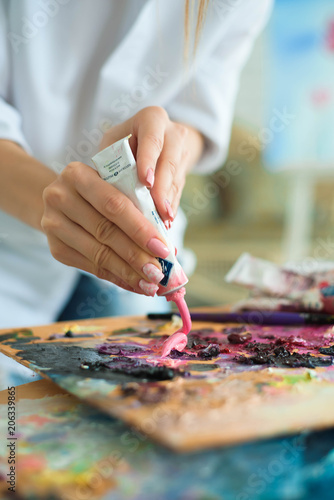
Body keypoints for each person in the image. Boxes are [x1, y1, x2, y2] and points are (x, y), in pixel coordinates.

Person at [0, 0, 272, 386]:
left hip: (137, 270)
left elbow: (198, 117)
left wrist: (175, 145)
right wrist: (52, 200)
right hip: (9, 262)